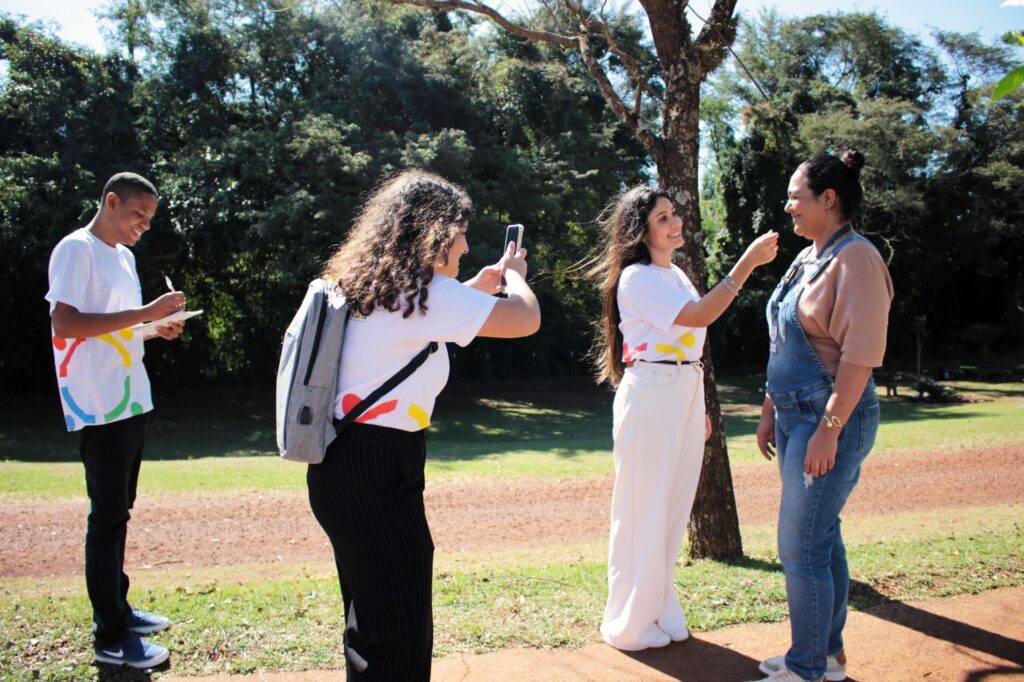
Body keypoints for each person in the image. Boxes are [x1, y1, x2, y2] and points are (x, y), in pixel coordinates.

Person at [306, 170, 541, 680]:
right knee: (398, 632)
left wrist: (476, 287)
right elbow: (525, 319)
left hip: (339, 463)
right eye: (460, 232)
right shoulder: (427, 293)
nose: (466, 244)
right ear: (434, 232)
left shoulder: (375, 286)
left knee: (372, 623)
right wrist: (515, 275)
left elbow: (421, 329)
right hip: (380, 466)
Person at [590, 186, 779, 651]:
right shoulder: (636, 277)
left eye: (673, 214)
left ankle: (659, 606)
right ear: (641, 231)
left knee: (672, 510)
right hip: (652, 393)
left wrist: (699, 407)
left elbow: (690, 344)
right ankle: (629, 624)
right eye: (662, 218)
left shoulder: (674, 273)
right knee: (644, 511)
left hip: (681, 391)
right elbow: (699, 316)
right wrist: (746, 264)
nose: (675, 222)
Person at [752, 149, 893, 682]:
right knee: (820, 536)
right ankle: (828, 656)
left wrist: (828, 431)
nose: (788, 206)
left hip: (831, 419)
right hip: (795, 418)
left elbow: (859, 357)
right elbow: (782, 339)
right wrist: (770, 408)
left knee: (800, 544)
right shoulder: (809, 256)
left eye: (796, 197)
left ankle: (807, 666)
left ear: (828, 199)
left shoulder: (857, 259)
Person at [46, 172, 188, 669]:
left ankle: (119, 609)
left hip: (130, 399)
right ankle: (109, 635)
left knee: (119, 511)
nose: (144, 226)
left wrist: (155, 328)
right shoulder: (76, 250)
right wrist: (146, 312)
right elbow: (65, 324)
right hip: (97, 404)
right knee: (106, 517)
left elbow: (115, 329)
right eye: (138, 214)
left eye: (149, 219)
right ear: (110, 201)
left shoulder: (124, 257)